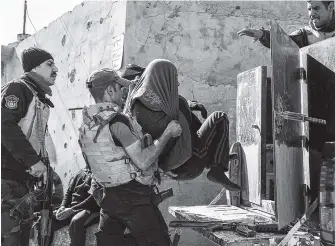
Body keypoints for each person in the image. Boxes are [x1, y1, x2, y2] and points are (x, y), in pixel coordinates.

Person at [79, 68, 182, 245]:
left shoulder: (87, 125)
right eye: (120, 88)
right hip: (132, 198)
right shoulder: (118, 122)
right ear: (110, 90)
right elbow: (142, 161)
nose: (123, 92)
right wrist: (167, 133)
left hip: (108, 197)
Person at [120, 61, 240, 191]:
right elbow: (180, 108)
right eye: (173, 79)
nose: (177, 83)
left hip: (171, 167)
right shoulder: (174, 106)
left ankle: (218, 156)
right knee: (219, 118)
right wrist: (187, 105)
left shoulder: (132, 108)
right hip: (191, 161)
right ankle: (216, 166)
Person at [1, 47, 58, 245]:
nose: (55, 69)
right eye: (49, 64)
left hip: (21, 181)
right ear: (34, 67)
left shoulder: (36, 95)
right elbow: (4, 125)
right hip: (6, 179)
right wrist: (33, 160)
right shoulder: (18, 88)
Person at [237, 1, 335, 48]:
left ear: (330, 7)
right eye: (309, 9)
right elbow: (284, 42)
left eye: (316, 8)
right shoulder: (305, 34)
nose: (311, 14)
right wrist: (262, 34)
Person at [51, 166, 100, 246]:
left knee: (76, 221)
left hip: (90, 209)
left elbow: (93, 199)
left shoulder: (99, 174)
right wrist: (62, 206)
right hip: (72, 209)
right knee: (49, 219)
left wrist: (72, 209)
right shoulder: (81, 172)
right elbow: (69, 192)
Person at [20, 168, 64, 246]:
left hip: (50, 201)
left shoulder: (48, 171)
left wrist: (58, 197)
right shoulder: (29, 173)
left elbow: (58, 183)